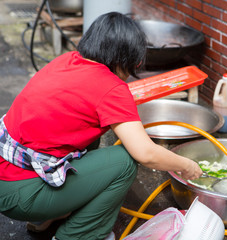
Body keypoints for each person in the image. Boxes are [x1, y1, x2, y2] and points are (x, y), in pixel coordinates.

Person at [0, 12, 203, 240]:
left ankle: (47, 217)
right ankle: (80, 234)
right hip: (22, 195)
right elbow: (146, 153)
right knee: (125, 161)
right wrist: (186, 165)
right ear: (125, 56)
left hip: (7, 176)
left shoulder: (66, 61)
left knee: (92, 134)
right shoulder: (111, 88)